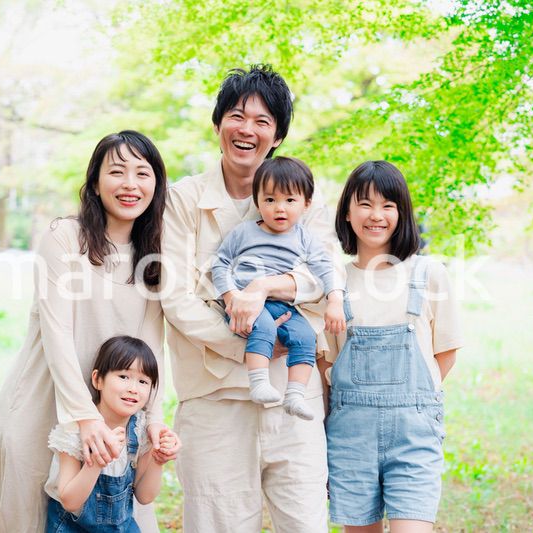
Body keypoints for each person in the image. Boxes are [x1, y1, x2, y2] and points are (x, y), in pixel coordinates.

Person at [161, 64, 340, 532]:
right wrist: (251, 343)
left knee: (305, 523)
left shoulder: (307, 199)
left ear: (277, 135)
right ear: (218, 123)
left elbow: (324, 281)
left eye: (263, 122)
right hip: (215, 401)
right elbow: (176, 299)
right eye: (238, 116)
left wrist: (262, 287)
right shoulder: (183, 201)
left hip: (292, 398)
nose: (248, 130)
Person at [0, 131, 171, 532]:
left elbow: (152, 348)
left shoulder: (155, 255)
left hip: (117, 412)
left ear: (156, 184)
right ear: (95, 181)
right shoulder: (65, 237)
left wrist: (152, 418)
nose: (130, 184)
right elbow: (57, 333)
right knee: (30, 520)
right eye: (117, 172)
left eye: (143, 173)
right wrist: (84, 418)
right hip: (43, 402)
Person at [322, 161, 463, 532]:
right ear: (347, 213)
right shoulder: (335, 281)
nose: (376, 215)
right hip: (350, 435)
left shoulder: (429, 273)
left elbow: (444, 355)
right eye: (365, 204)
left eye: (388, 205)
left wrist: (409, 402)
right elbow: (328, 365)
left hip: (414, 434)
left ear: (402, 212)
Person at [211, 156, 345, 421]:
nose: (279, 208)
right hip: (246, 303)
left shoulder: (304, 237)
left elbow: (326, 268)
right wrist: (231, 298)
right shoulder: (244, 232)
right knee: (264, 326)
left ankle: (295, 394)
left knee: (306, 335)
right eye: (270, 200)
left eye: (290, 200)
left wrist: (335, 300)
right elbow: (220, 264)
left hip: (283, 304)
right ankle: (258, 382)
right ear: (257, 201)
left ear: (306, 204)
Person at [45, 335, 180, 533]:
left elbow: (144, 496)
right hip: (72, 528)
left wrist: (157, 461)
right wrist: (98, 461)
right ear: (97, 380)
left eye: (143, 381)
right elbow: (70, 502)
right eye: (123, 377)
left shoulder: (139, 429)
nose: (133, 389)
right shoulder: (75, 430)